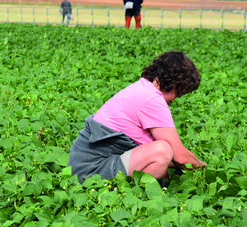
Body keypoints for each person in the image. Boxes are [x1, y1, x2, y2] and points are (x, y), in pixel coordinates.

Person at [68, 50, 205, 183]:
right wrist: (205, 170)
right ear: (175, 84)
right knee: (162, 151)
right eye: (181, 92)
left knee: (163, 166)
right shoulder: (152, 99)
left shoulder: (142, 88)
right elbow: (180, 157)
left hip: (82, 168)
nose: (177, 98)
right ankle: (127, 195)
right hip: (91, 171)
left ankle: (130, 191)